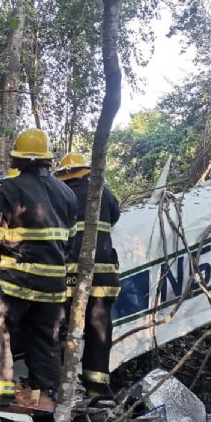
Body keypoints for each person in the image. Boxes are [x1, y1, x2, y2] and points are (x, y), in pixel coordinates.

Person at [0, 128, 77, 412]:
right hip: (53, 286)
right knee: (45, 341)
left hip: (17, 279)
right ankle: (48, 405)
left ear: (19, 160)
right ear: (47, 160)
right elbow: (71, 242)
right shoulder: (68, 194)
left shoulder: (9, 190)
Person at [55, 153, 121, 398]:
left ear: (63, 175)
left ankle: (62, 386)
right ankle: (97, 388)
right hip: (103, 279)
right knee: (99, 330)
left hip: (68, 278)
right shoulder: (103, 192)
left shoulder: (58, 195)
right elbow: (115, 216)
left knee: (61, 329)